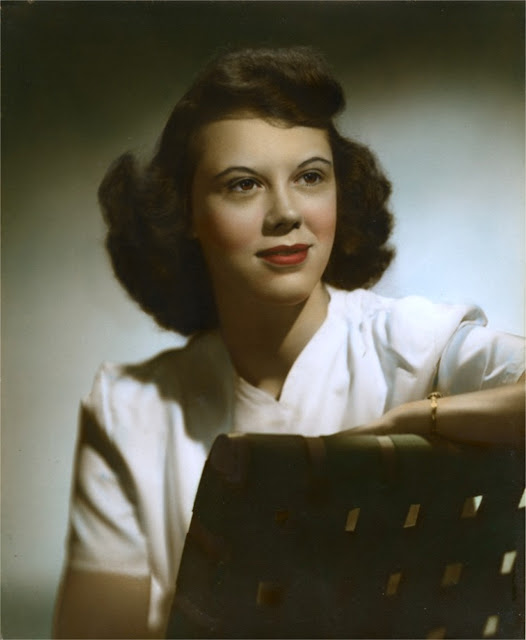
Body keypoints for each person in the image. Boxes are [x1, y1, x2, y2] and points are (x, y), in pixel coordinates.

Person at [53, 46, 525, 639]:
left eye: (310, 177)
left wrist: (409, 420)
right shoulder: (130, 408)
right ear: (184, 214)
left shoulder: (415, 344)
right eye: (243, 184)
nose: (286, 213)